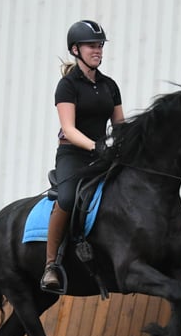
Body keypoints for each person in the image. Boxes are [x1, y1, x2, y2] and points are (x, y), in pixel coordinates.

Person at [40, 19, 125, 292]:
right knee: (66, 198)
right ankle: (51, 265)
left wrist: (126, 145)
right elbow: (69, 129)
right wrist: (96, 146)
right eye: (91, 46)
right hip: (73, 155)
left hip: (102, 155)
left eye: (99, 45)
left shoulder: (110, 85)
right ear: (75, 50)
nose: (97, 50)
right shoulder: (67, 86)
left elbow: (120, 125)